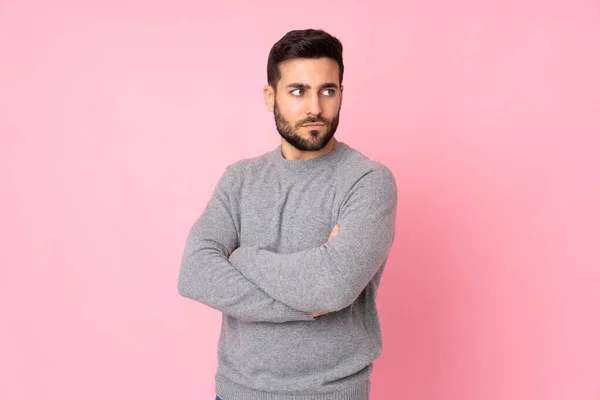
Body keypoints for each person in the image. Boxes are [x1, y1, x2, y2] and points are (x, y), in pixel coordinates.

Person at [178, 28, 398, 400]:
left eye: (327, 90)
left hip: (331, 393)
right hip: (235, 392)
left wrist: (242, 258)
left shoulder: (368, 181)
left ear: (341, 94)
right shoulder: (240, 179)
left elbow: (332, 286)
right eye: (298, 91)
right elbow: (195, 273)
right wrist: (306, 302)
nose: (314, 106)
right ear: (271, 96)